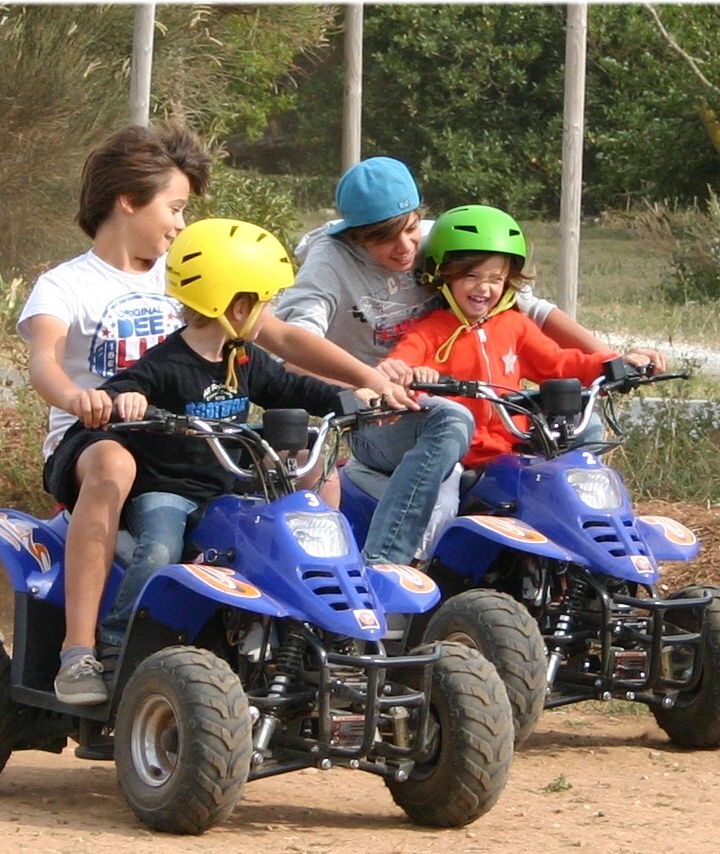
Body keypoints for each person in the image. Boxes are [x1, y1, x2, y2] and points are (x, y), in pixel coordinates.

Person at [19, 122, 412, 706]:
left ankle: (302, 641)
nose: (181, 224)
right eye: (174, 207)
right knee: (115, 466)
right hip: (99, 433)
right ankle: (81, 650)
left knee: (311, 473)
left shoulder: (193, 276)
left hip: (198, 437)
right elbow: (43, 363)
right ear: (128, 200)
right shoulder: (67, 285)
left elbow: (279, 342)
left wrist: (365, 380)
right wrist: (80, 398)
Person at [272, 156, 648, 564]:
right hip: (381, 411)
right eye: (384, 238)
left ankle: (583, 560)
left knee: (579, 421)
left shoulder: (441, 240)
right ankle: (391, 562)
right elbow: (295, 346)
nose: (405, 248)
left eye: (411, 228)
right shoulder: (330, 262)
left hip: (460, 397)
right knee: (450, 420)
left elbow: (528, 309)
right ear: (355, 236)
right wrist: (368, 382)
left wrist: (612, 360)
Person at [87, 218, 377, 653]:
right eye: (266, 304)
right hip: (169, 491)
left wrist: (351, 401)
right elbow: (124, 387)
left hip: (227, 488)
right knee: (161, 549)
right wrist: (126, 397)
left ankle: (296, 640)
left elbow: (292, 388)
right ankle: (119, 640)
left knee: (281, 540)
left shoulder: (242, 358)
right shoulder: (168, 362)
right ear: (237, 308)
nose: (270, 315)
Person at [386, 204, 662, 467]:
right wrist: (412, 377)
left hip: (514, 450)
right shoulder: (428, 332)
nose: (484, 288)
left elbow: (560, 363)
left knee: (578, 455)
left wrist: (615, 366)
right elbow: (398, 369)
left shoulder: (515, 326)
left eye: (495, 279)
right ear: (443, 275)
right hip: (458, 457)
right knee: (441, 506)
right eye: (471, 276)